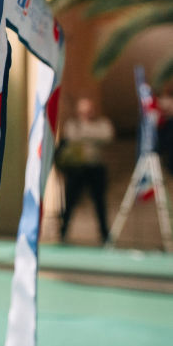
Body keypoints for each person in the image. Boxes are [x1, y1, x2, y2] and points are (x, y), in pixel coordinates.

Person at [56, 97, 114, 243]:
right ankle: (63, 231)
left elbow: (107, 136)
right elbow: (71, 136)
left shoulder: (102, 123)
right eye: (83, 111)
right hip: (77, 169)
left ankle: (104, 233)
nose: (86, 113)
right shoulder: (72, 124)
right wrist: (91, 135)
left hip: (95, 168)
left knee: (99, 202)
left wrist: (84, 133)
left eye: (89, 110)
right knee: (70, 201)